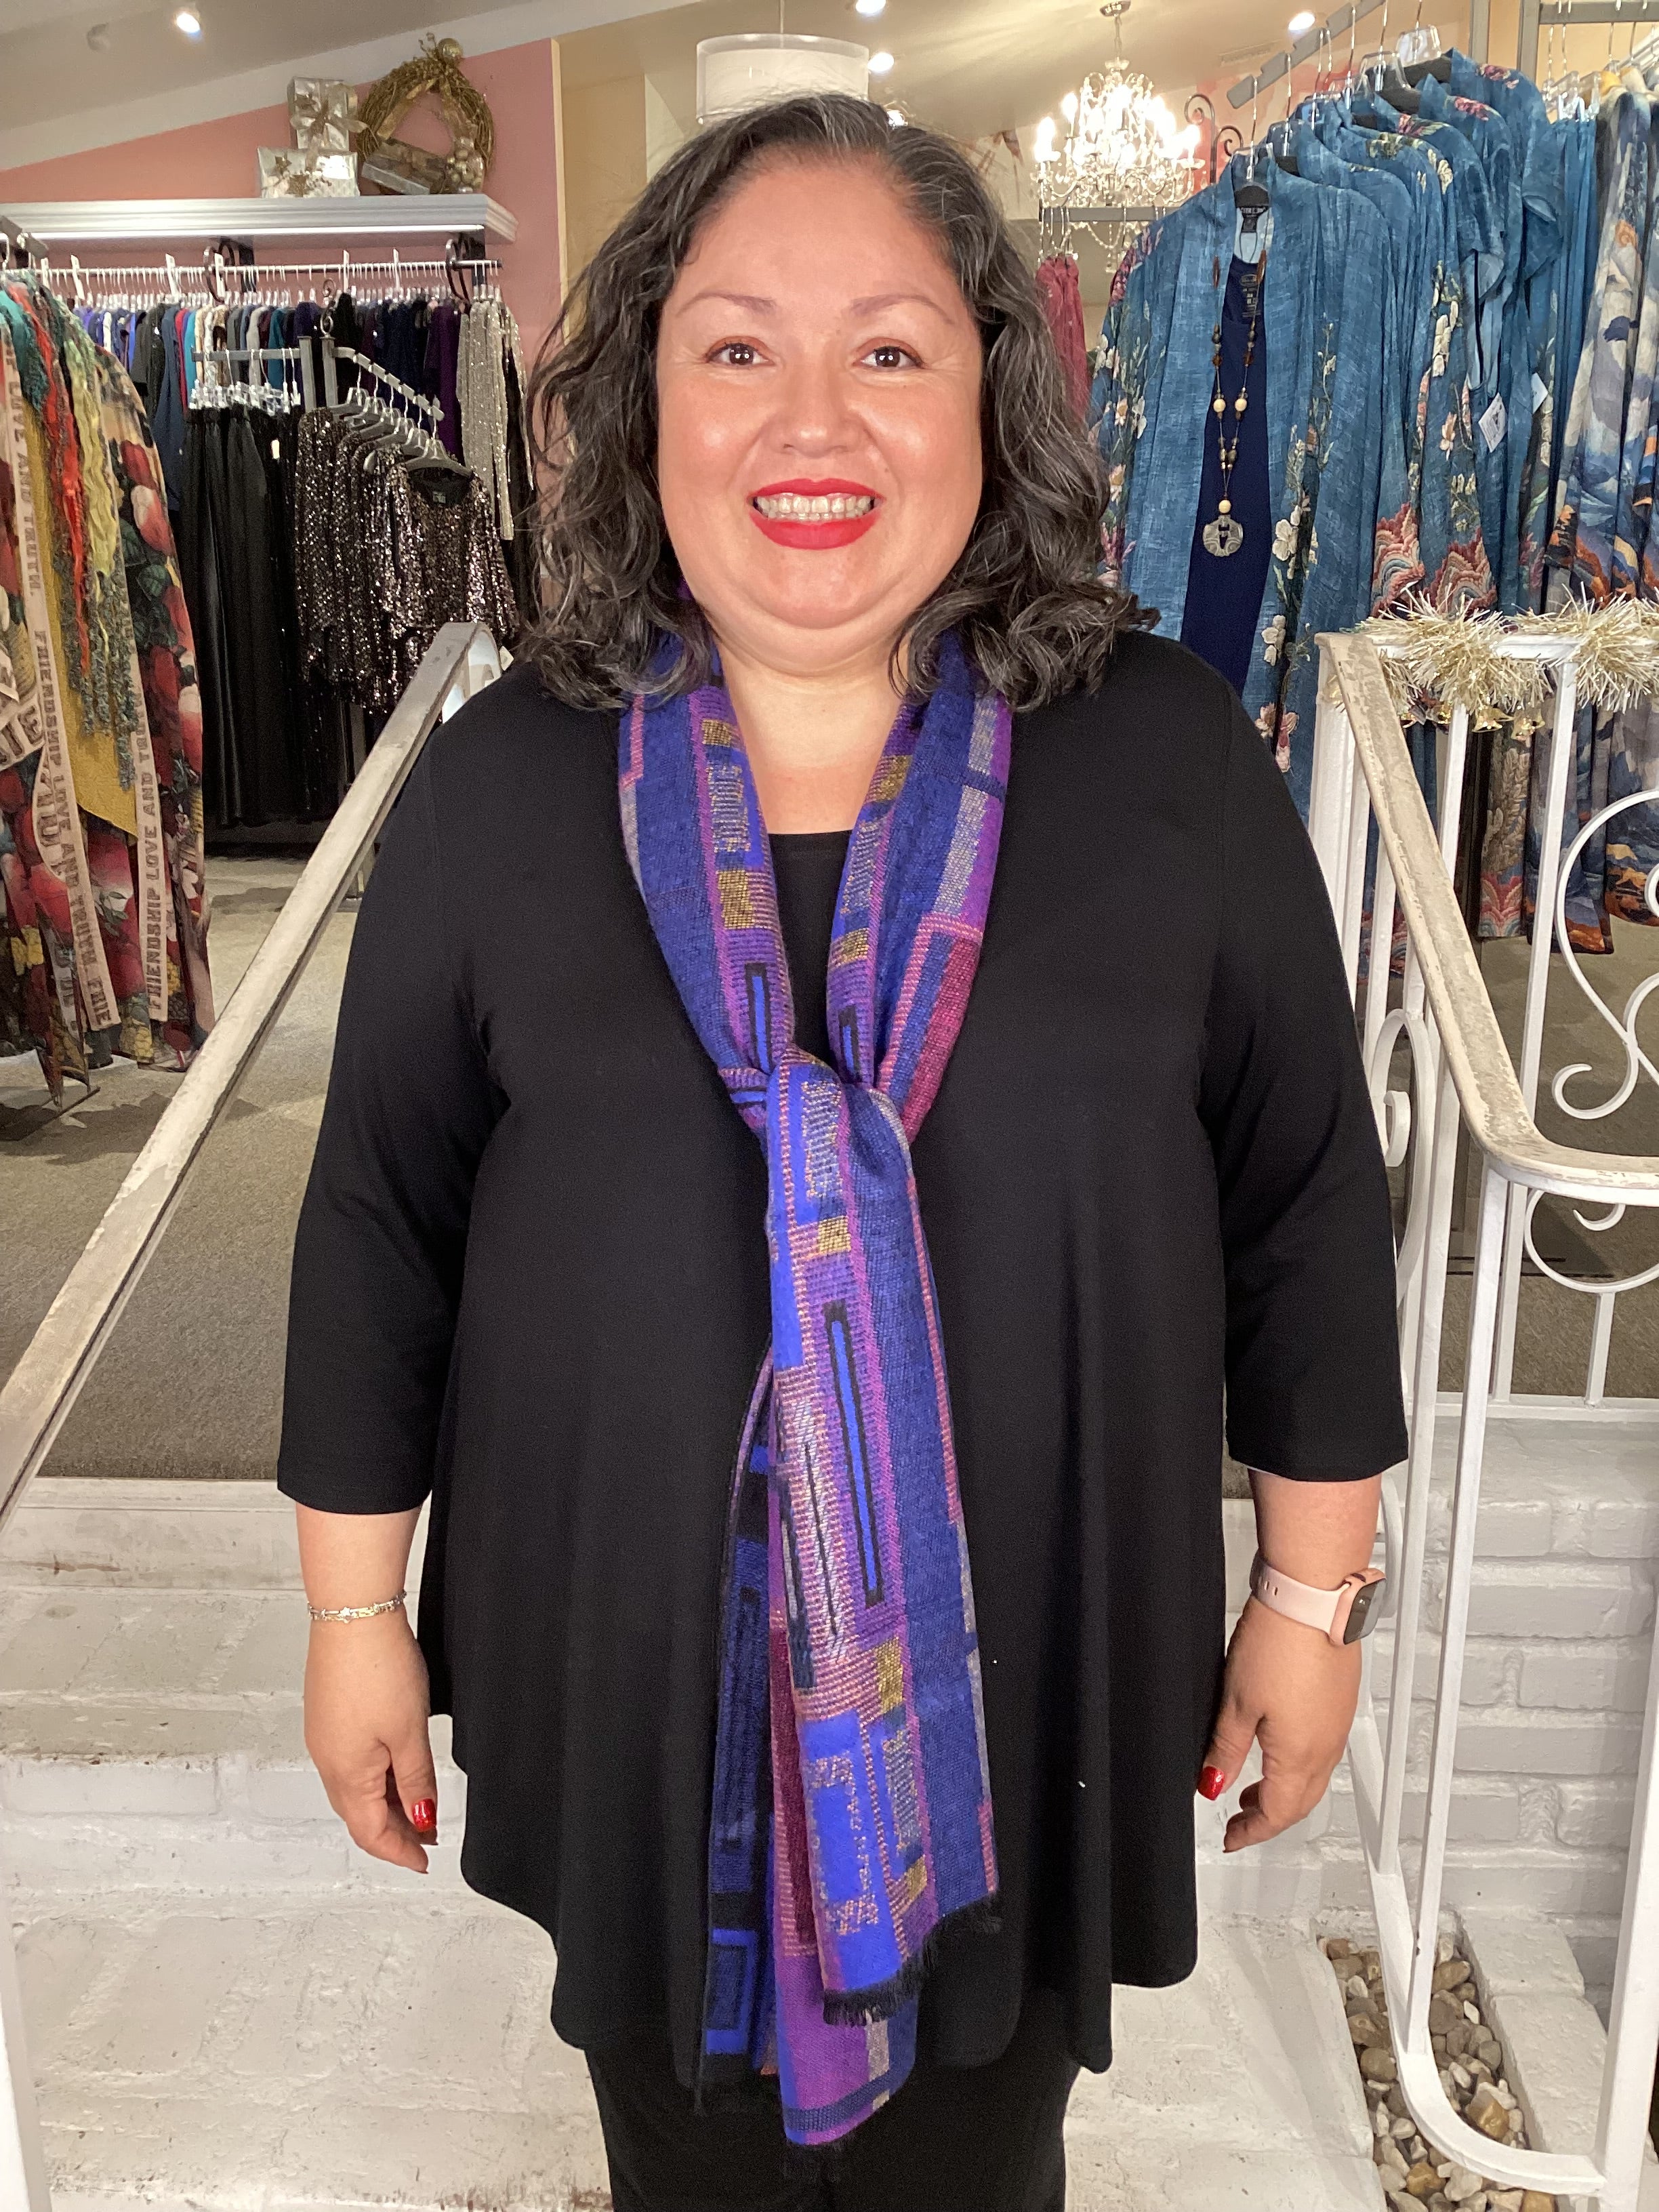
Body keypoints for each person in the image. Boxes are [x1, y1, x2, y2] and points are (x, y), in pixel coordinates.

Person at [278, 94, 1406, 2212]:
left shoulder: (1163, 761)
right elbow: (377, 1226)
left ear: (991, 390)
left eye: (890, 347)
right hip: (631, 1694)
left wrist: (1312, 1600)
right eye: (738, 348)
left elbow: (1306, 1204)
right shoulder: (505, 788)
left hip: (1027, 1687)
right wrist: (356, 1613)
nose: (814, 421)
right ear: (646, 404)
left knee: (986, 2163)